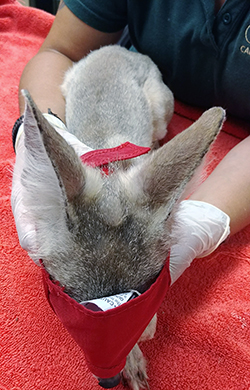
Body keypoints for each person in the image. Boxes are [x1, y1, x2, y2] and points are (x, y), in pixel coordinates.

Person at [12, 0, 250, 283]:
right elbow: (60, 50)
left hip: (147, 80)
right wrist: (44, 133)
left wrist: (207, 216)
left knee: (157, 120)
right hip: (107, 68)